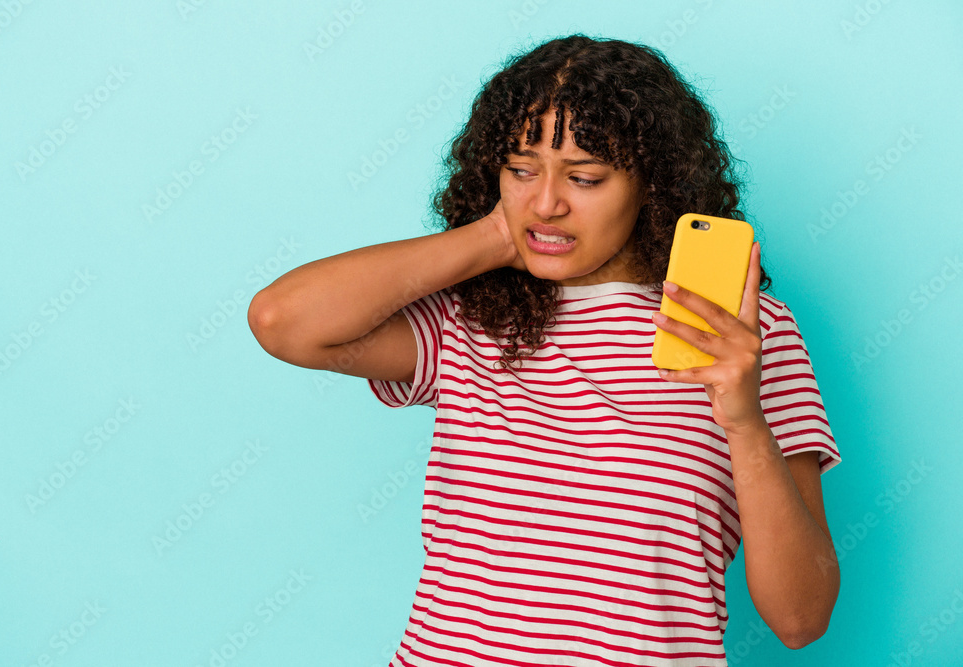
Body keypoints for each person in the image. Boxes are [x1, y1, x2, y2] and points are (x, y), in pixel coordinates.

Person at [248, 34, 842, 667]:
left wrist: (745, 419)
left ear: (653, 185)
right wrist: (501, 234)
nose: (549, 201)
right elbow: (283, 320)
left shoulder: (745, 333)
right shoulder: (470, 317)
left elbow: (800, 618)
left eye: (584, 176)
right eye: (521, 169)